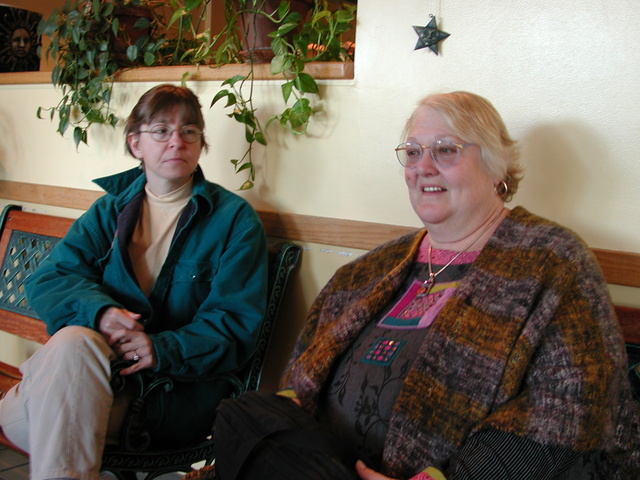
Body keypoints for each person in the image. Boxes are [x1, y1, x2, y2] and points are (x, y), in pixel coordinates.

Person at [278, 91, 640, 479]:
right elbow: (303, 368)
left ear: (496, 167)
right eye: (413, 152)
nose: (423, 167)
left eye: (445, 150)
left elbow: (572, 409)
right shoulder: (366, 271)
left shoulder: (554, 262)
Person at [0, 84, 269, 480]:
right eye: (161, 131)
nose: (176, 141)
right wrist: (101, 313)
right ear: (135, 143)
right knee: (75, 343)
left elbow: (234, 326)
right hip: (87, 375)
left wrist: (159, 348)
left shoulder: (234, 221)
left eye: (189, 131)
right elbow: (50, 279)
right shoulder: (109, 211)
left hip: (162, 398)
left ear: (200, 143)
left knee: (51, 394)